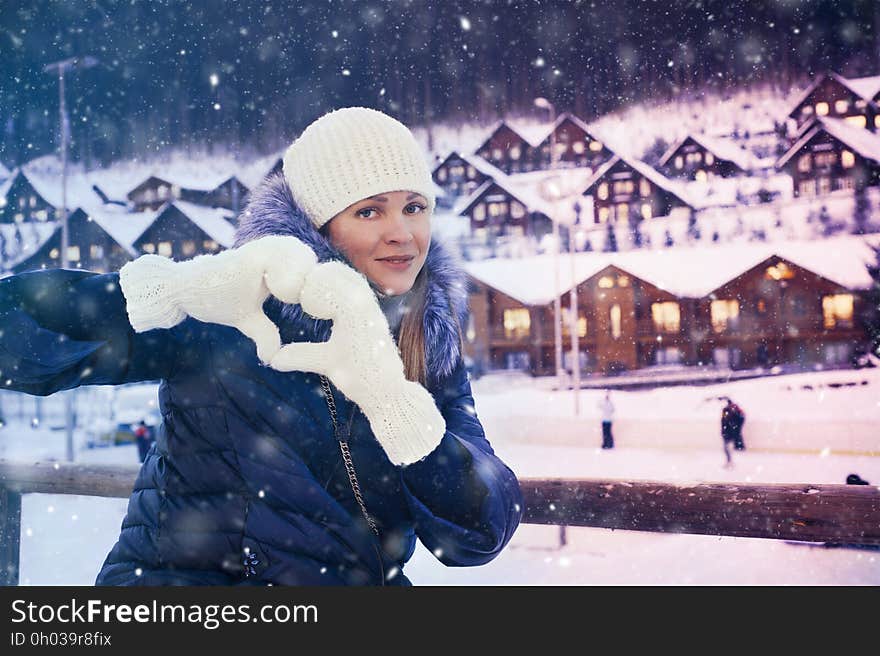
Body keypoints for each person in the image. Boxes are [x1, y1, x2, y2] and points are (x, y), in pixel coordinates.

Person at [0, 106, 523, 586]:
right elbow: (18, 342)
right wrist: (175, 291)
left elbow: (478, 534)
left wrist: (393, 402)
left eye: (414, 207)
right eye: (369, 211)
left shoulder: (424, 335)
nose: (402, 233)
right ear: (318, 226)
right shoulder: (233, 309)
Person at [720, 397, 745, 468]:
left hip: (728, 433)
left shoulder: (729, 411)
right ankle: (729, 461)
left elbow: (725, 422)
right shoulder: (733, 411)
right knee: (726, 448)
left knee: (726, 448)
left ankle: (729, 461)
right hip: (729, 432)